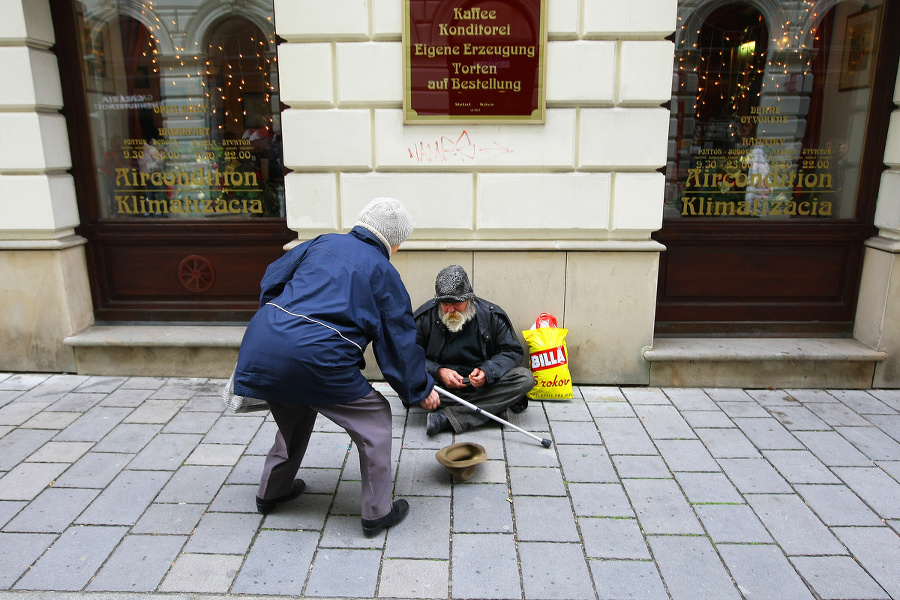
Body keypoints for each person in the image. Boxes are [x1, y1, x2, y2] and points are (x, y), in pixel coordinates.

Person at [233, 197, 440, 538]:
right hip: (316, 357)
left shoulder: (322, 242)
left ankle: (271, 491)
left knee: (294, 411)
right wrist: (420, 390)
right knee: (375, 416)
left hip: (262, 340)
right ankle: (377, 513)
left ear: (362, 223)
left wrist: (275, 328)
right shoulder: (384, 272)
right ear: (396, 242)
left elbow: (272, 278)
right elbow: (399, 346)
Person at [413, 264, 535, 436]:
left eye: (456, 304)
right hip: (442, 387)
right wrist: (438, 372)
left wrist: (488, 371)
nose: (450, 310)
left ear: (469, 298)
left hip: (482, 386)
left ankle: (449, 417)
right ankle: (489, 409)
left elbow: (512, 351)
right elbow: (407, 357)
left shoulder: (491, 315)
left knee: (524, 378)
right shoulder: (425, 317)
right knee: (409, 387)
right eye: (445, 304)